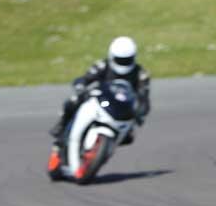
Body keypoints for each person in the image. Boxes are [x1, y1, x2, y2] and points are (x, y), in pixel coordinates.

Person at [48, 36, 150, 170]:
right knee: (72, 102)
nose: (123, 63)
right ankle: (61, 128)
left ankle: (102, 150)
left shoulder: (140, 74)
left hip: (120, 110)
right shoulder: (103, 65)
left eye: (126, 60)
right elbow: (86, 78)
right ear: (112, 55)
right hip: (100, 101)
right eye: (120, 60)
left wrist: (141, 112)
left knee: (129, 136)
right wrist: (81, 85)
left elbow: (144, 97)